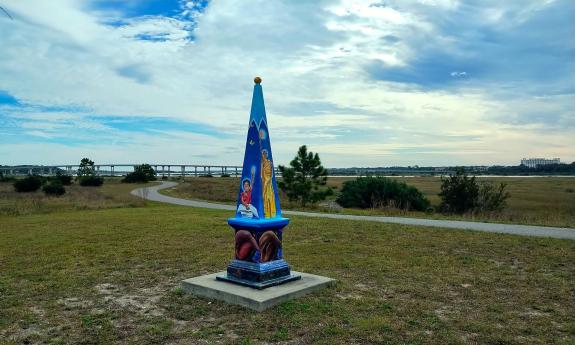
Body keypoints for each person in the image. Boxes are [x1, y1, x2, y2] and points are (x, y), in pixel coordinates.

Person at [261, 149, 276, 218]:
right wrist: (265, 180)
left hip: (269, 181)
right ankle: (265, 211)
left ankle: (271, 212)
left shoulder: (269, 163)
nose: (264, 155)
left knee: (270, 195)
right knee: (264, 195)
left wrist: (269, 179)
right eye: (263, 154)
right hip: (264, 181)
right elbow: (261, 173)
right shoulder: (261, 163)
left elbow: (271, 173)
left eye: (265, 154)